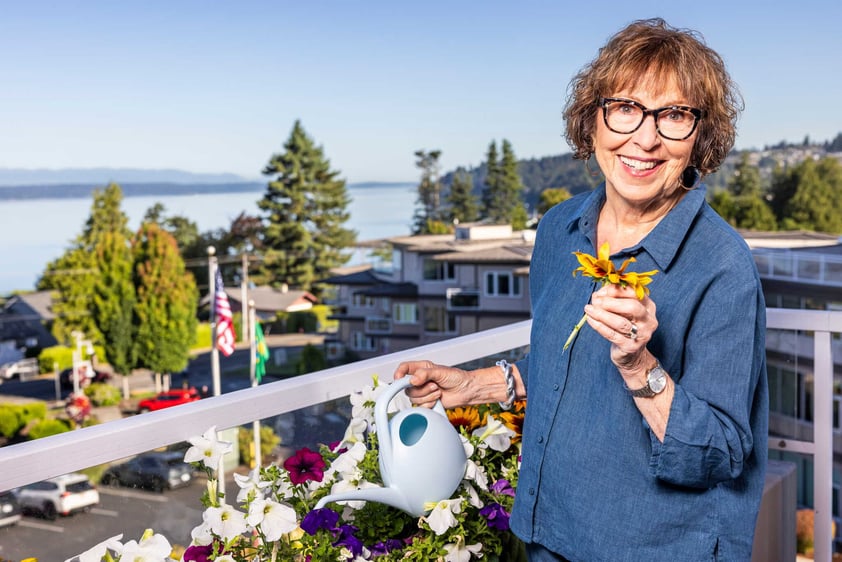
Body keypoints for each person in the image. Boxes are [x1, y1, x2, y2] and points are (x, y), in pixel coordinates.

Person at [394, 18, 768, 562]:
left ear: (699, 139)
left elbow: (721, 452)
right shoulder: (559, 228)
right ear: (592, 121)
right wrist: (472, 386)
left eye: (674, 116)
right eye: (625, 108)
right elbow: (567, 370)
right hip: (547, 535)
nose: (645, 137)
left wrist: (640, 365)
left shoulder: (722, 266)